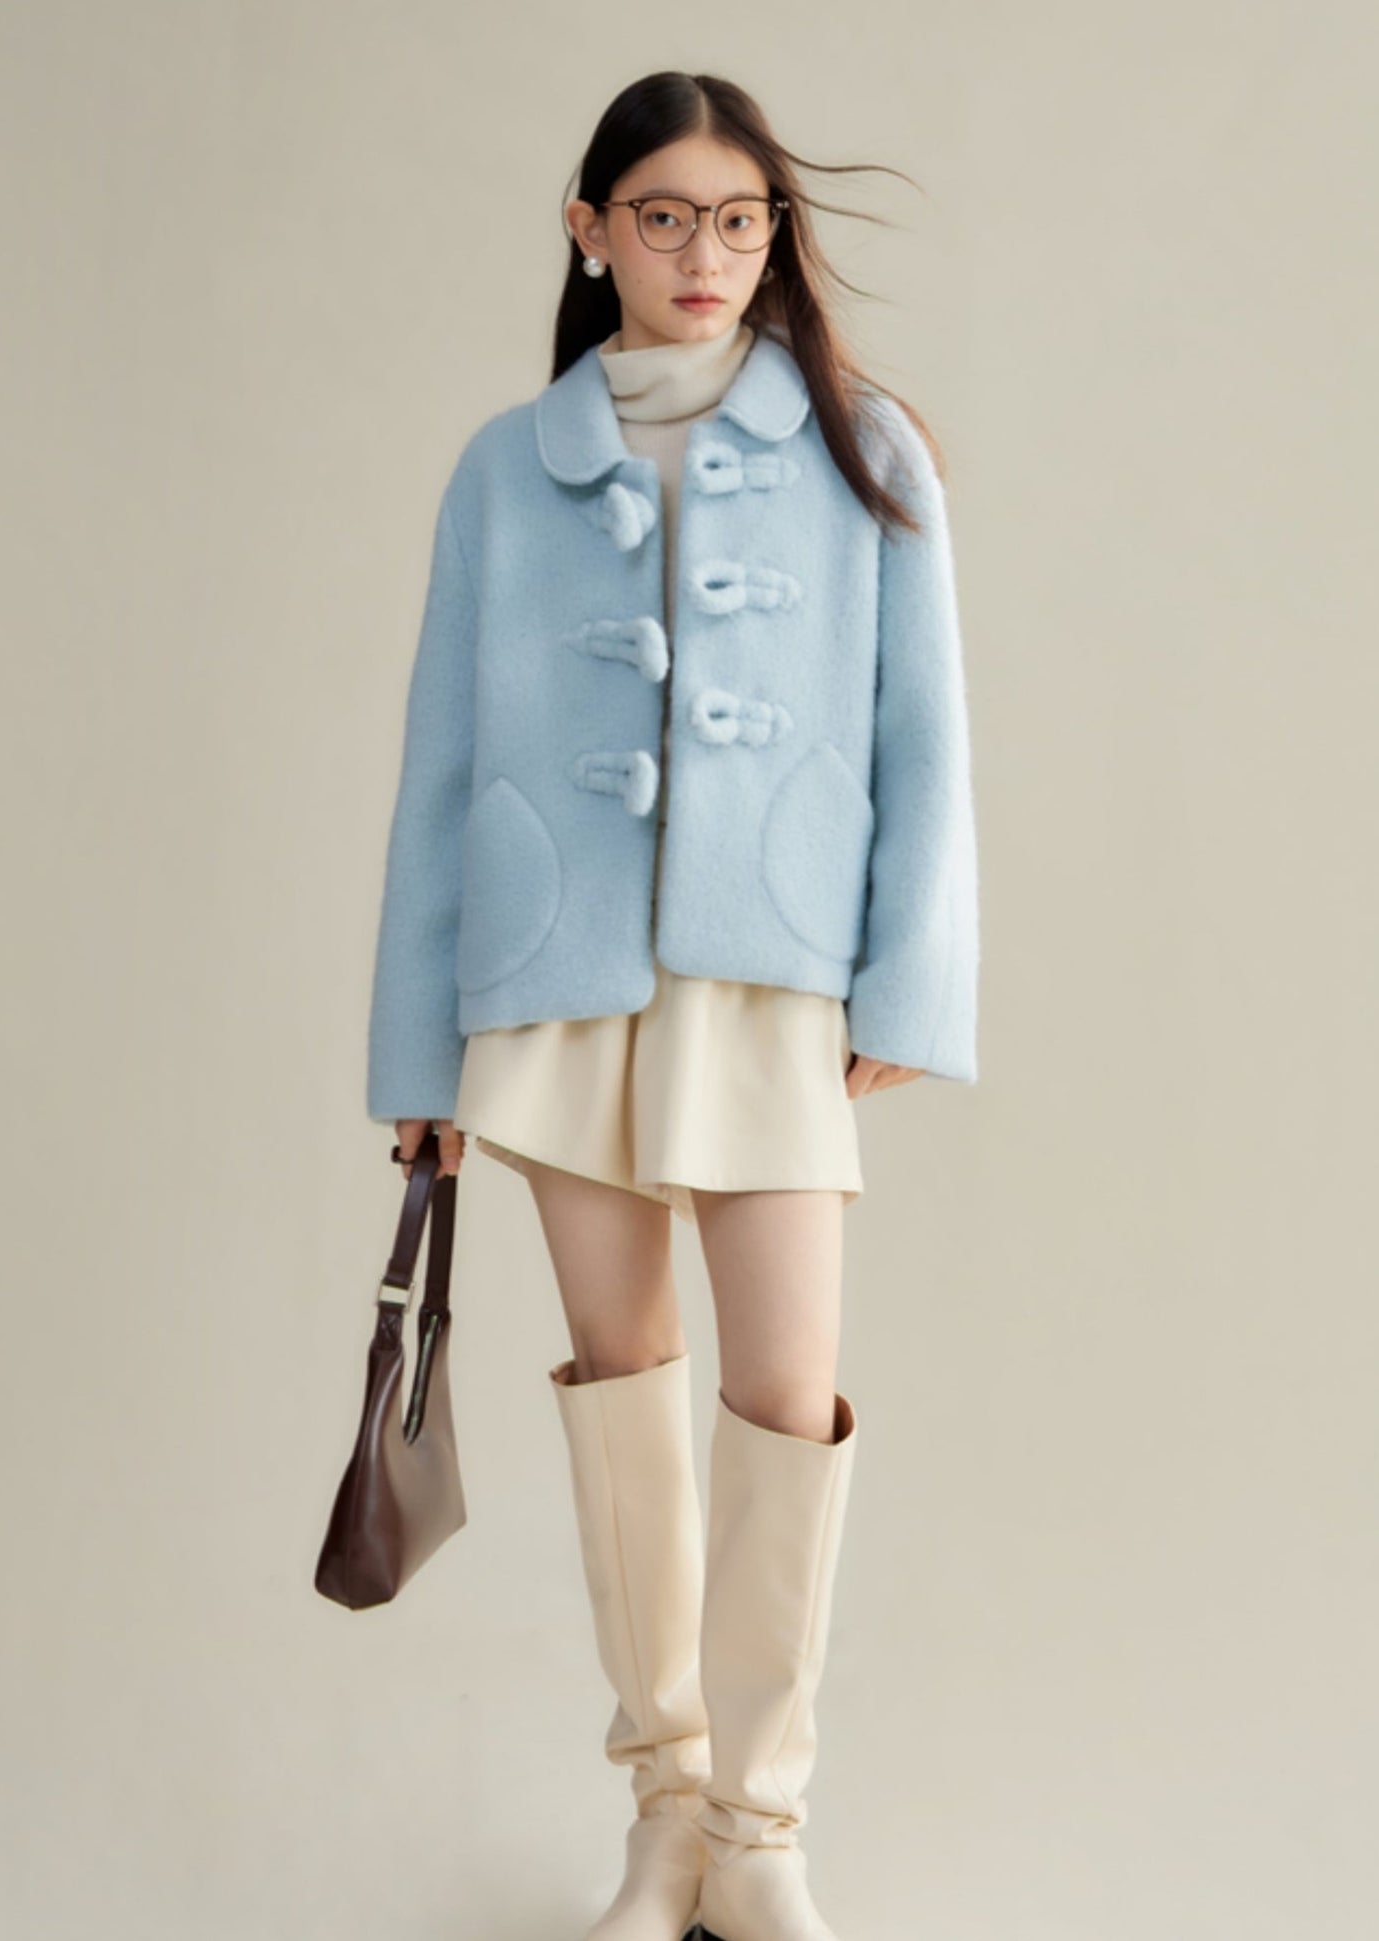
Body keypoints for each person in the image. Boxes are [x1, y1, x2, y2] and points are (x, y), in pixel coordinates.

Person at [366, 69, 979, 1941]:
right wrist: (417, 1054)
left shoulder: (866, 449)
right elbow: (438, 767)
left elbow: (926, 740)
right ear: (589, 231)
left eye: (736, 219)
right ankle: (666, 1816)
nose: (703, 254)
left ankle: (761, 1829)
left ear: (769, 235)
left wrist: (907, 976)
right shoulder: (504, 468)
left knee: (784, 1394)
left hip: (765, 969)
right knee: (622, 1380)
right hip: (552, 981)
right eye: (661, 217)